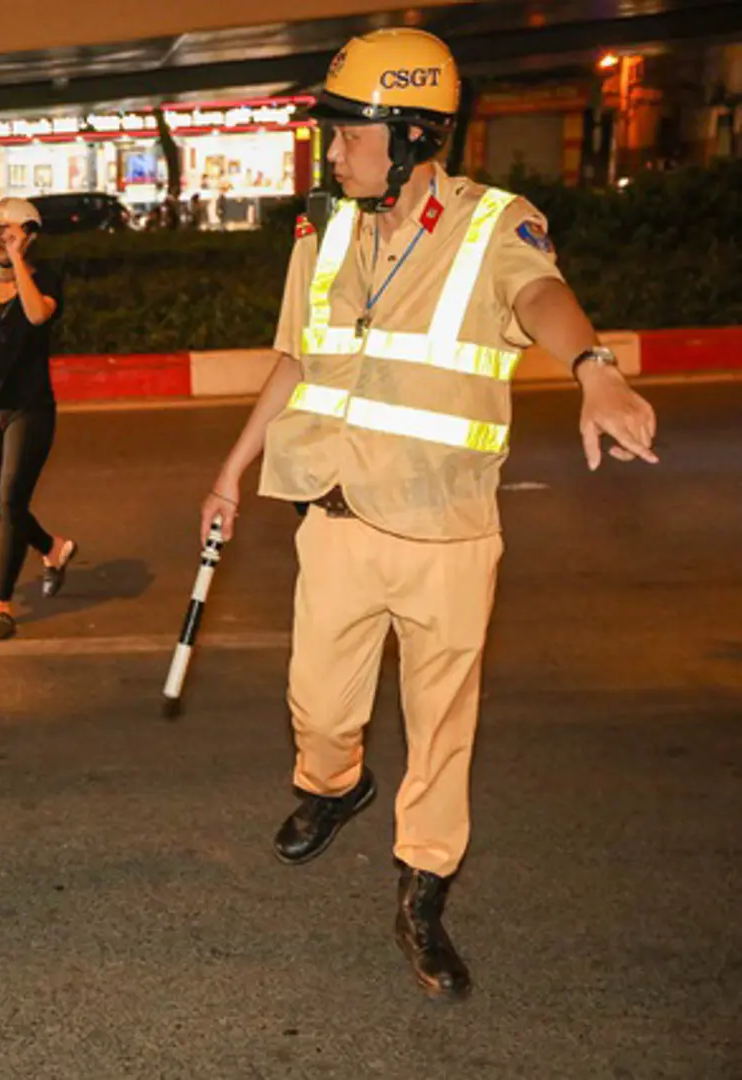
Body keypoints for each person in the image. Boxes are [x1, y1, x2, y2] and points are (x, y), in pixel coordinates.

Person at [198, 28, 658, 999]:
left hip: (446, 532)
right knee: (317, 712)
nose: (332, 152)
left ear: (409, 133)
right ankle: (334, 787)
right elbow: (293, 359)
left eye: (347, 132)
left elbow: (542, 296)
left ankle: (421, 887)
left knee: (440, 724)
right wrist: (231, 469)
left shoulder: (494, 224)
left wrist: (594, 367)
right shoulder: (321, 231)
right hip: (333, 517)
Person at [0, 196, 77, 641]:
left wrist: (20, 260)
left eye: (8, 233)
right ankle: (53, 547)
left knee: (9, 502)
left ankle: (1, 602)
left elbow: (36, 313)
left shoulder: (46, 281)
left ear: (29, 235)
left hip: (32, 409)